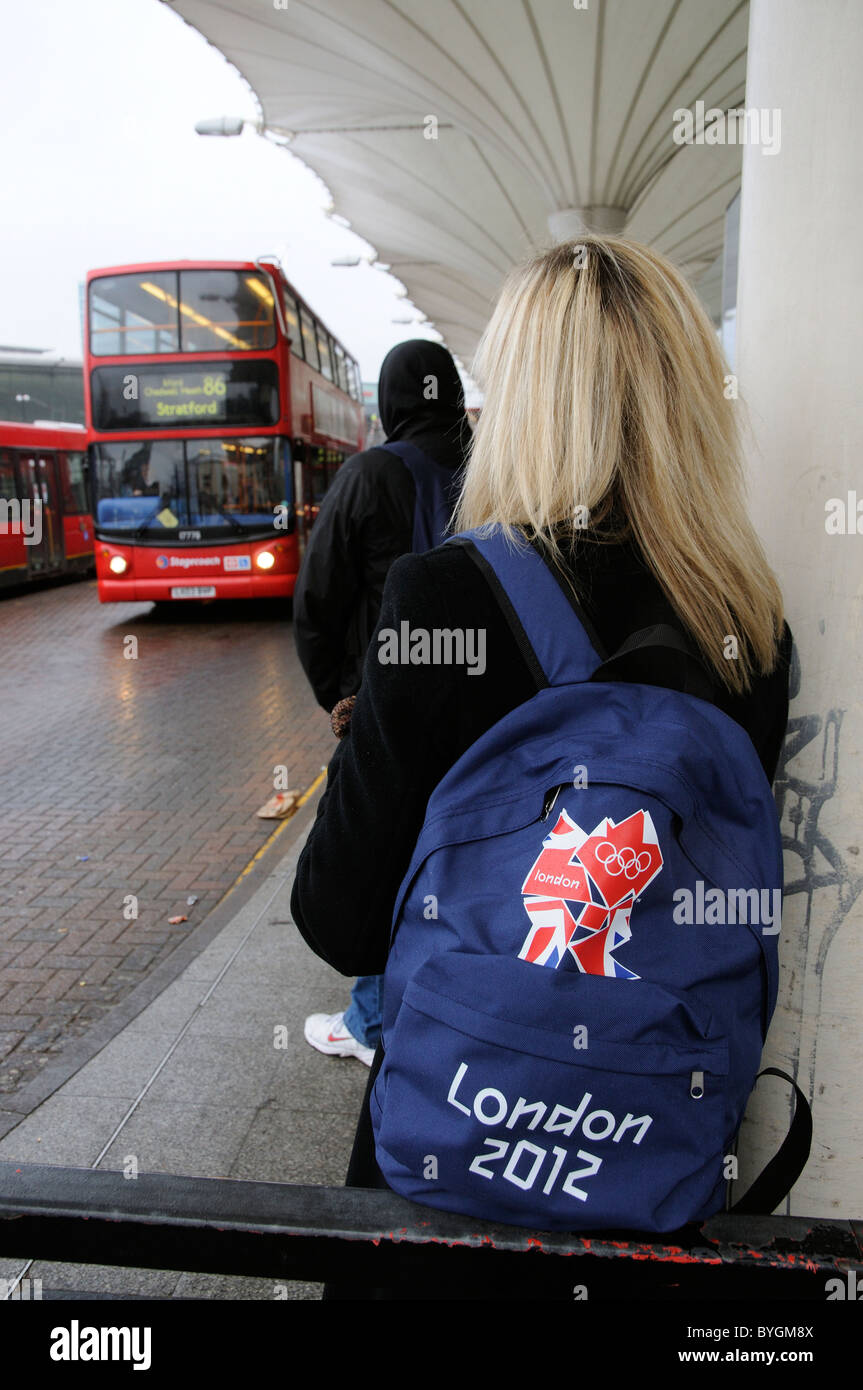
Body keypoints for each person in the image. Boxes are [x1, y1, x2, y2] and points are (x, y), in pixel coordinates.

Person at [290, 236, 791, 1294]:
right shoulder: (748, 623)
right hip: (654, 1175)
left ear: (513, 399)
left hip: (448, 1172)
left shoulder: (443, 597)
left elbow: (336, 915)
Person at [293, 338, 471, 1067]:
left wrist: (339, 694)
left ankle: (370, 1023)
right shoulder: (498, 464)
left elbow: (318, 601)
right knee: (458, 851)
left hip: (391, 704)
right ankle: (459, 1004)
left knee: (381, 848)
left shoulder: (368, 475)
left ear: (389, 401)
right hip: (490, 702)